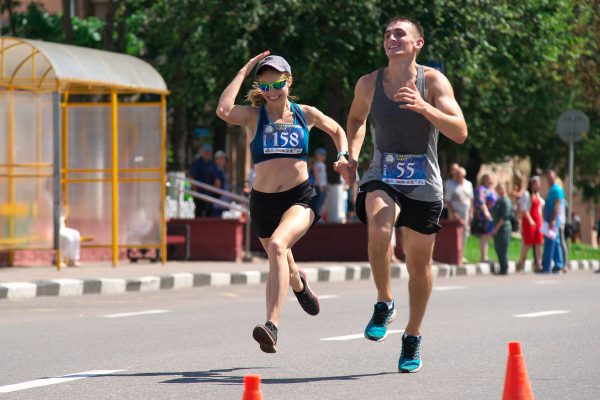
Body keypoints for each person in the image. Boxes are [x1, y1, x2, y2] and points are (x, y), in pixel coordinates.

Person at [344, 16, 467, 373]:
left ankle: (412, 335)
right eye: (387, 34)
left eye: (401, 34)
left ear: (418, 44)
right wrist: (350, 155)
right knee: (379, 226)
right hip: (383, 172)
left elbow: (460, 131)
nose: (392, 38)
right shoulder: (369, 83)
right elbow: (355, 120)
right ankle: (384, 301)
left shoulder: (432, 80)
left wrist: (424, 107)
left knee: (419, 268)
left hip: (423, 182)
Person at [216, 52, 349, 353]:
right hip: (263, 203)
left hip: (300, 197)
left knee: (277, 246)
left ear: (289, 80)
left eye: (277, 84)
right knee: (282, 260)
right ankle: (299, 284)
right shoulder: (253, 116)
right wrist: (242, 70)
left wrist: (341, 156)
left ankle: (271, 326)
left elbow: (338, 131)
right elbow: (224, 109)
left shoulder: (305, 114)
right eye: (265, 87)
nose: (272, 92)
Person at [516, 176, 544, 272]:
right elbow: (524, 209)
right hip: (529, 221)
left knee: (539, 242)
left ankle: (538, 263)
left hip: (538, 220)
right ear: (532, 184)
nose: (538, 185)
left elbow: (540, 209)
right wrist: (530, 220)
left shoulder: (538, 195)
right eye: (536, 183)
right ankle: (521, 262)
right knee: (528, 242)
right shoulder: (526, 194)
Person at [445, 166, 474, 252]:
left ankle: (461, 253)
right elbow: (448, 200)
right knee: (454, 231)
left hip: (466, 211)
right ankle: (454, 252)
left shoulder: (468, 184)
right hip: (455, 211)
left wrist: (471, 212)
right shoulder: (451, 184)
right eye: (457, 174)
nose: (458, 176)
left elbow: (471, 199)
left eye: (460, 175)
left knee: (465, 231)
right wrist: (453, 212)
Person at [541, 169, 565, 273]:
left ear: (555, 177)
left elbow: (557, 205)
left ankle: (546, 266)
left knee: (550, 243)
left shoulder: (556, 190)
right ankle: (558, 265)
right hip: (552, 219)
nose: (549, 179)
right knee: (555, 242)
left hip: (553, 220)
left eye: (551, 177)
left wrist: (552, 220)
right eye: (548, 177)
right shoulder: (552, 189)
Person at [473, 173, 497, 262]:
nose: (489, 180)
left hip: (493, 216)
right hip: (484, 216)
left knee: (488, 236)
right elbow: (481, 201)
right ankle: (483, 257)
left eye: (490, 178)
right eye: (487, 178)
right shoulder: (481, 189)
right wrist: (486, 212)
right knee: (484, 235)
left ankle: (485, 256)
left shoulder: (492, 190)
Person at [491, 183, 513, 275]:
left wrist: (496, 228)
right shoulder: (498, 200)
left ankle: (504, 269)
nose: (500, 190)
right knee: (498, 248)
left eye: (502, 188)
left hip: (503, 228)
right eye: (498, 188)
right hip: (498, 227)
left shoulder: (506, 201)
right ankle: (502, 268)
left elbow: (505, 216)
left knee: (503, 249)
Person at [189, 143, 215, 217]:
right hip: (199, 192)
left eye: (209, 152)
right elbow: (191, 175)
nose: (207, 154)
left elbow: (214, 176)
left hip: (209, 193)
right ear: (202, 152)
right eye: (206, 152)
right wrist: (194, 188)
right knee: (199, 211)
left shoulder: (211, 164)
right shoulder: (197, 162)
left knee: (209, 212)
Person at [208, 150, 230, 217]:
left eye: (223, 159)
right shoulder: (215, 170)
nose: (223, 161)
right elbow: (217, 185)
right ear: (216, 160)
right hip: (217, 202)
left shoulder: (222, 170)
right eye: (221, 159)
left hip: (223, 201)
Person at [312, 147, 328, 215]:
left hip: (323, 185)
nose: (323, 156)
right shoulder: (316, 164)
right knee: (319, 200)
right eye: (321, 155)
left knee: (322, 200)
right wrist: (320, 185)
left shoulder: (323, 164)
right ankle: (317, 214)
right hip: (318, 185)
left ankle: (319, 214)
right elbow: (316, 175)